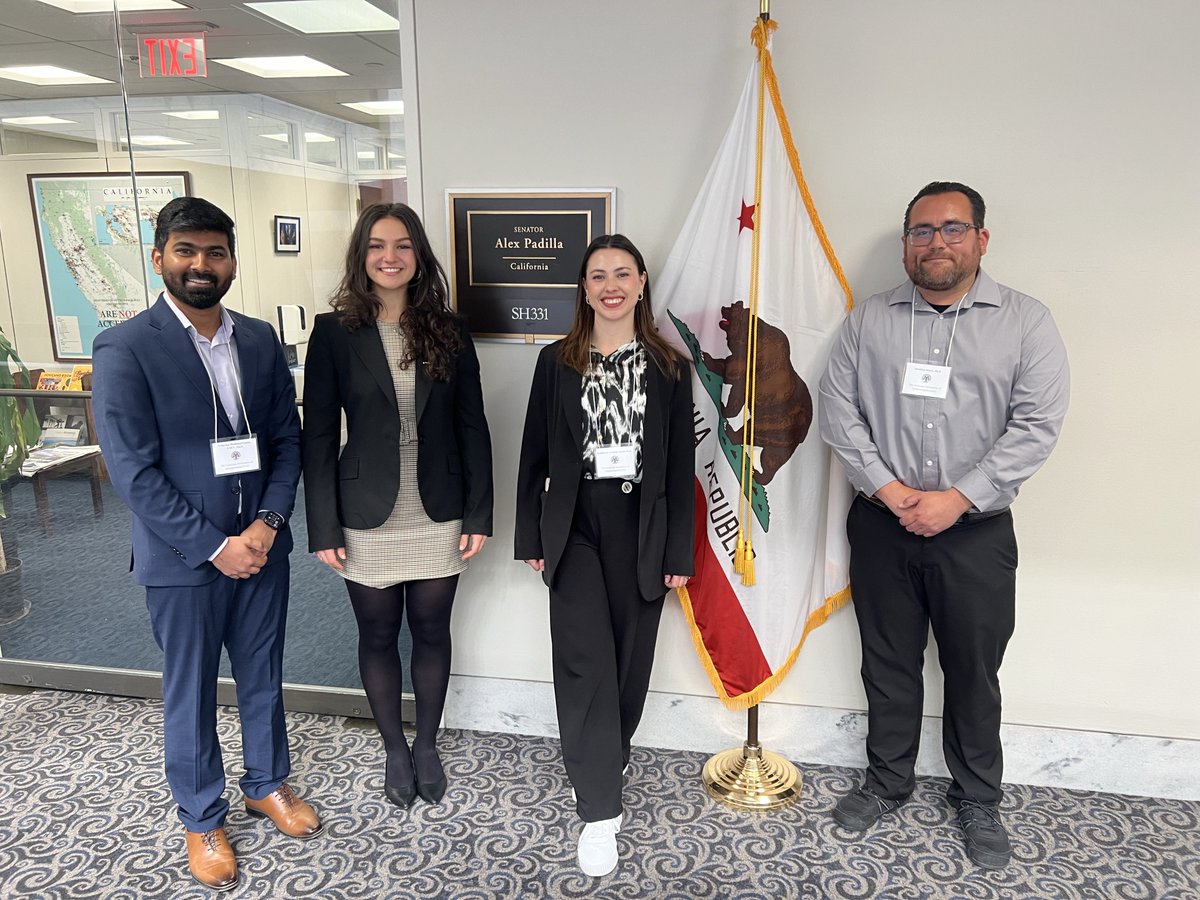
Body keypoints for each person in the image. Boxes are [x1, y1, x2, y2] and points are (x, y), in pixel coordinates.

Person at [818, 182, 1070, 869]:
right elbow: (839, 410)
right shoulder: (869, 320)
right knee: (887, 663)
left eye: (953, 229)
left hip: (976, 533)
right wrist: (893, 490)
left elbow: (1036, 425)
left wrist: (958, 499)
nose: (937, 243)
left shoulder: (1026, 322)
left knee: (973, 670)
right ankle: (887, 783)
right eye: (922, 231)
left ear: (981, 240)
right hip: (882, 524)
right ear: (907, 244)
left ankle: (978, 797)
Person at [93, 196, 319, 892]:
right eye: (185, 250)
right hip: (183, 559)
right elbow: (132, 471)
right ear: (158, 257)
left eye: (214, 252)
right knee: (189, 691)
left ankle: (267, 783)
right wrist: (216, 545)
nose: (200, 264)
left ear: (232, 262)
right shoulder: (126, 347)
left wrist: (267, 525)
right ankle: (202, 818)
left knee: (263, 674)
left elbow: (286, 441)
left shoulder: (258, 340)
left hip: (262, 550)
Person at [302, 202, 493, 810]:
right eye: (378, 245)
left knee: (433, 630)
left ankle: (427, 743)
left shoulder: (448, 329)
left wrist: (479, 513)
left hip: (438, 506)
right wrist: (322, 525)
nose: (391, 257)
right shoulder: (334, 332)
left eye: (403, 245)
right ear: (361, 255)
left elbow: (472, 426)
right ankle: (393, 747)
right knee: (378, 633)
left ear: (419, 255)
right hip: (364, 509)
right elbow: (316, 436)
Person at [515, 234, 694, 878]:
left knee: (628, 665)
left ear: (642, 283)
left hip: (642, 523)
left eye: (622, 274)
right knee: (583, 660)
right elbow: (534, 452)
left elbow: (679, 468)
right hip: (575, 522)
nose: (610, 286)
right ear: (584, 289)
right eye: (598, 275)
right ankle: (599, 811)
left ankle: (602, 762)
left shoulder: (670, 367)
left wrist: (679, 550)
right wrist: (530, 537)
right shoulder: (555, 361)